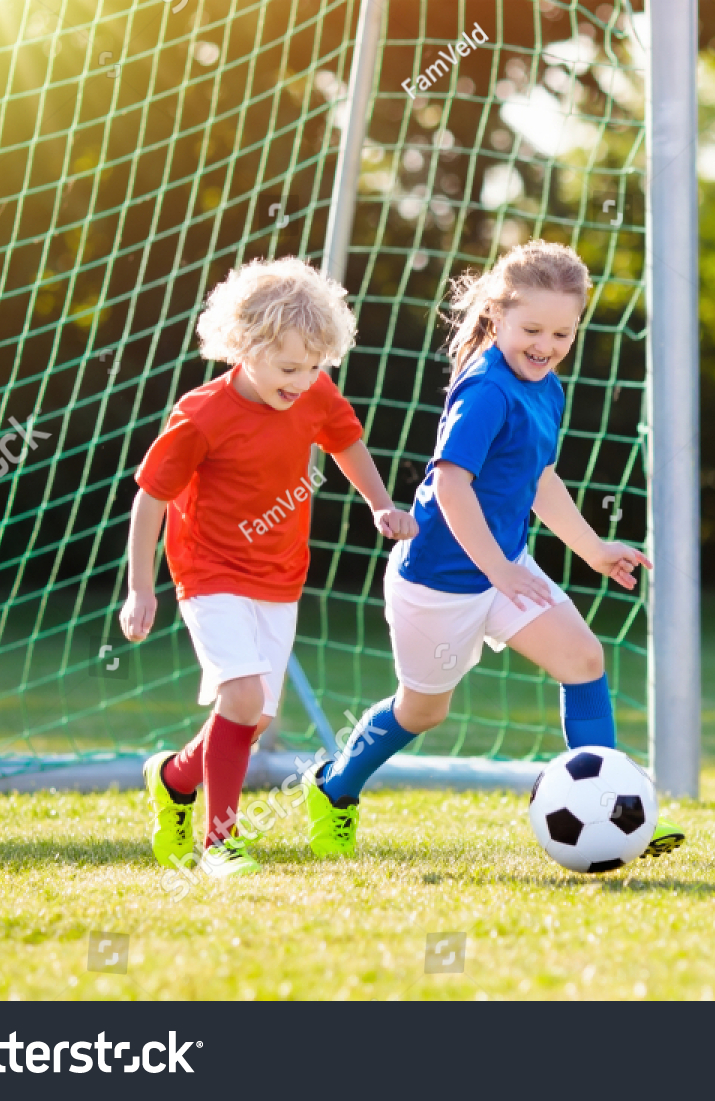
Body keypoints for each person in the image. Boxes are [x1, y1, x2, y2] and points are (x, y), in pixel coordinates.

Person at [301, 239, 685, 860]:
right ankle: (335, 789)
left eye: (562, 332)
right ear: (498, 315)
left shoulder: (546, 386)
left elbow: (541, 479)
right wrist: (499, 570)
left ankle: (616, 814)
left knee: (584, 659)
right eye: (531, 328)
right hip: (440, 583)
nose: (546, 344)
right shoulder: (485, 388)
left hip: (504, 569)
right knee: (422, 712)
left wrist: (591, 549)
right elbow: (451, 486)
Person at [120, 256, 416, 878]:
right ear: (244, 347)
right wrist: (140, 589)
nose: (304, 379)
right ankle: (220, 843)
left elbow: (345, 442)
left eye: (315, 366)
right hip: (208, 572)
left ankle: (174, 779)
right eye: (289, 367)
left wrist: (382, 504)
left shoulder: (314, 391)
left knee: (251, 718)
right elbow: (151, 497)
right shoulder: (201, 415)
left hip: (280, 576)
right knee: (243, 695)